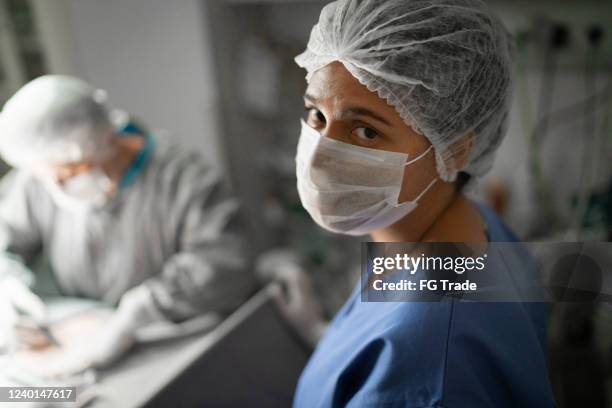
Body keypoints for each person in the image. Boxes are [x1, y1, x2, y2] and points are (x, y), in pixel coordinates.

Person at [289, 0, 556, 406]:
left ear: (455, 149)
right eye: (316, 115)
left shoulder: (428, 362)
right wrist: (330, 338)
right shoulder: (464, 226)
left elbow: (417, 360)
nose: (319, 161)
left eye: (365, 131)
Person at [0, 75, 255, 374]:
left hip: (174, 344)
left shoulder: (183, 179)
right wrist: (9, 287)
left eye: (65, 176)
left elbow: (224, 266)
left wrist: (141, 309)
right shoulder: (39, 174)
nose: (53, 186)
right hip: (88, 337)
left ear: (93, 152)